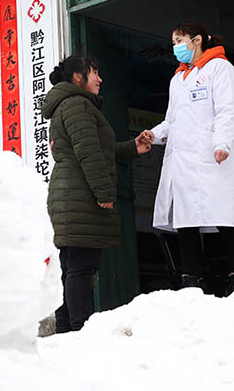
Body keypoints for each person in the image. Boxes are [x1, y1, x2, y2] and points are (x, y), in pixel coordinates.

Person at [43, 54, 152, 332]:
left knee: (72, 267)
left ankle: (67, 331)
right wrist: (104, 193)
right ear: (78, 77)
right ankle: (80, 330)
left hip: (72, 194)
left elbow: (99, 149)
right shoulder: (77, 105)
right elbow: (89, 153)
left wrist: (132, 147)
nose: (100, 79)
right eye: (94, 73)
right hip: (79, 195)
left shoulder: (70, 105)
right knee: (80, 267)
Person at [141, 21, 234, 296]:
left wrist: (222, 142)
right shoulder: (178, 79)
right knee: (186, 219)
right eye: (174, 42)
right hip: (182, 161)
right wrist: (153, 135)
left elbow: (227, 110)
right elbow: (172, 121)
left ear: (198, 40)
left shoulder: (220, 68)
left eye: (180, 41)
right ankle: (192, 278)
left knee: (224, 215)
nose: (176, 47)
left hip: (211, 156)